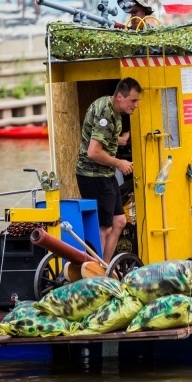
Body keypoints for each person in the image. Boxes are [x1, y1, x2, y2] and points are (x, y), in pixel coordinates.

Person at [75, 77, 142, 263]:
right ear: (120, 96)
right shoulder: (106, 114)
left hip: (105, 175)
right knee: (105, 227)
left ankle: (104, 266)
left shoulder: (109, 105)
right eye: (133, 100)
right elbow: (93, 152)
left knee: (119, 221)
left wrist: (120, 140)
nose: (135, 105)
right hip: (94, 175)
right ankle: (94, 272)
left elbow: (100, 137)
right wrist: (120, 163)